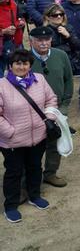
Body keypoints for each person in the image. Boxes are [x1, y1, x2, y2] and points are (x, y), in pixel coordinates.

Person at [0, 49, 58, 223]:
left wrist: (49, 118)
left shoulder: (39, 79)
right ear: (10, 66)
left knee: (34, 167)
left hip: (38, 136)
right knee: (14, 172)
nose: (21, 66)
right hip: (13, 141)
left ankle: (34, 195)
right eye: (17, 63)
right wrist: (10, 132)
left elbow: (51, 99)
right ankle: (10, 205)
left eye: (25, 63)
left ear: (30, 65)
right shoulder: (2, 85)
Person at [29, 26, 73, 188]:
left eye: (46, 39)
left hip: (56, 109)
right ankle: (29, 179)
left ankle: (51, 173)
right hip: (32, 112)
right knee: (32, 146)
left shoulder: (60, 55)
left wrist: (64, 105)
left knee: (54, 142)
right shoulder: (24, 58)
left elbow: (69, 80)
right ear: (31, 41)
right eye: (39, 40)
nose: (43, 43)